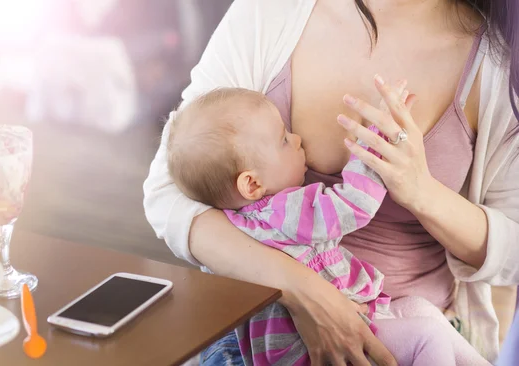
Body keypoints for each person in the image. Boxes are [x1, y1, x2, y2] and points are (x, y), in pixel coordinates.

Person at [143, 0, 519, 364]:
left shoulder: (498, 63)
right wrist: (300, 290)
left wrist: (423, 192)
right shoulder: (271, 12)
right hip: (263, 335)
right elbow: (167, 191)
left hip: (410, 333)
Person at [167, 86, 489, 365]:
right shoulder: (284, 213)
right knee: (427, 335)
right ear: (252, 185)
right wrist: (375, 143)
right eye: (283, 140)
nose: (296, 139)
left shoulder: (235, 223)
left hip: (301, 342)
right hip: (311, 351)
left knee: (421, 309)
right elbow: (353, 204)